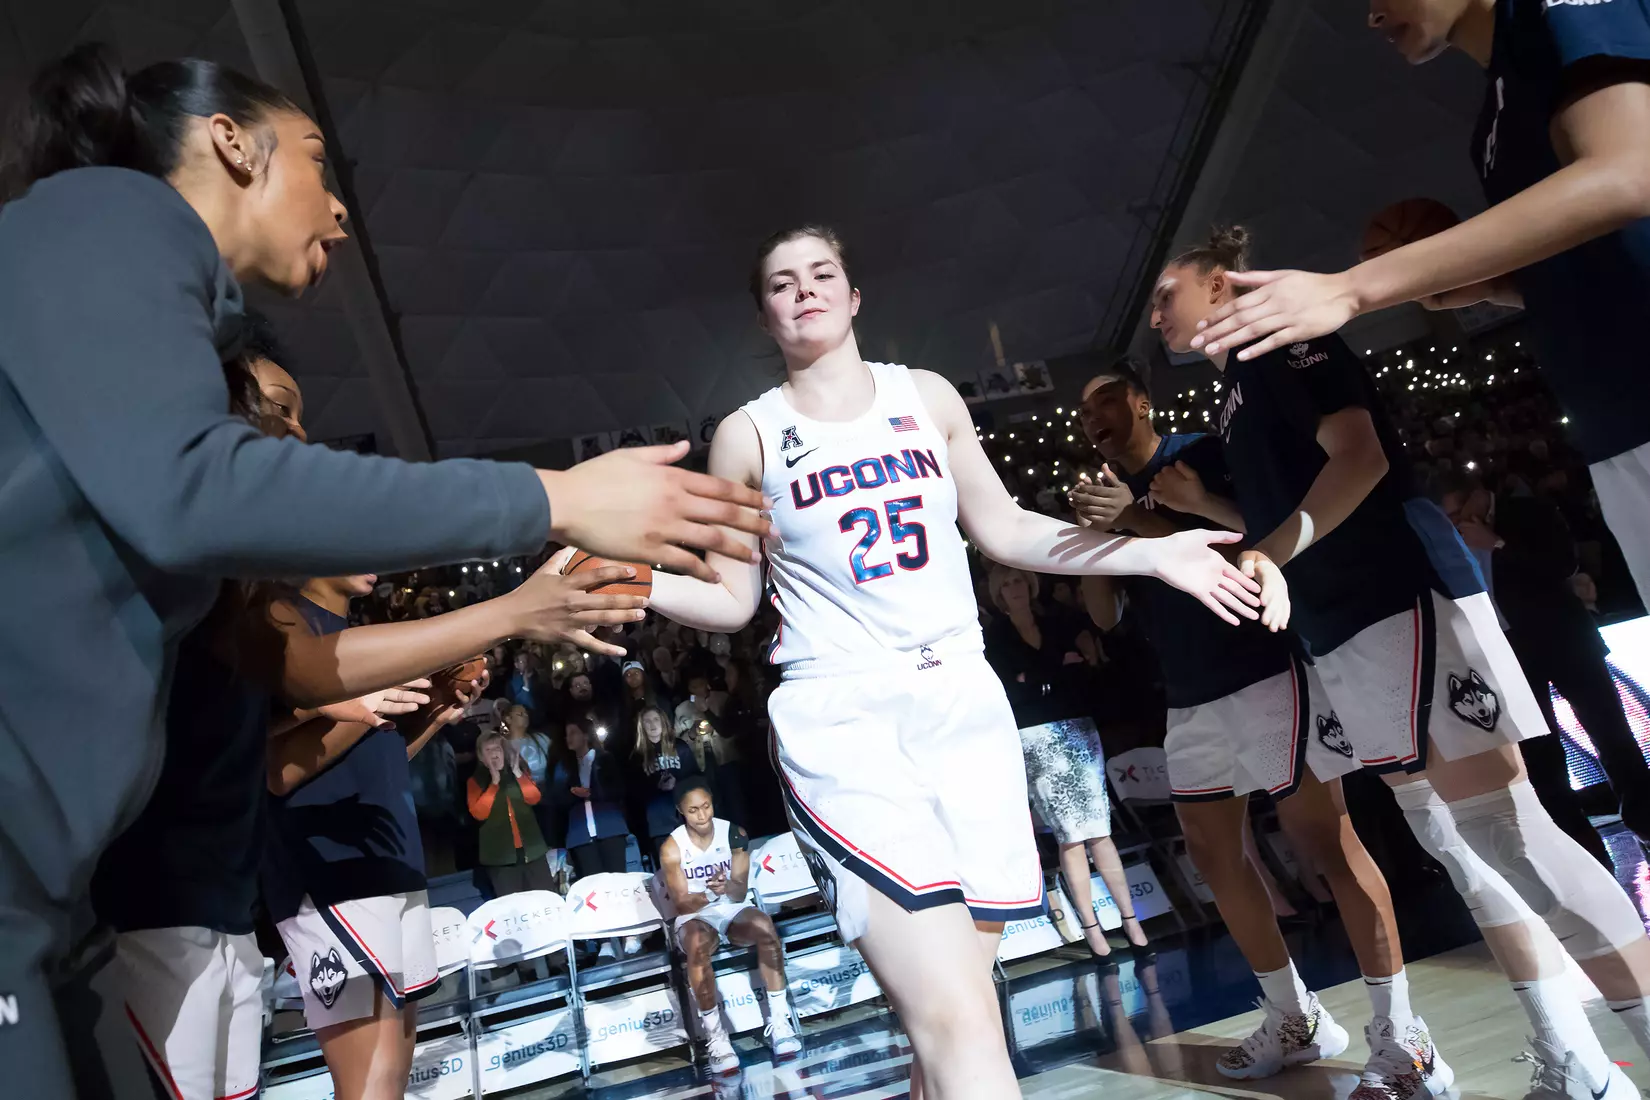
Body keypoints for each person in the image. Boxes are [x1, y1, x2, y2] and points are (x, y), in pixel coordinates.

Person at [0, 43, 774, 1095]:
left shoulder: (126, 306)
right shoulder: (104, 220)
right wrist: (549, 496)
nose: (340, 208)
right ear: (232, 144)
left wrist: (517, 594)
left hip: (57, 894)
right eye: (318, 159)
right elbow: (204, 491)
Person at [618, 224, 1263, 1100]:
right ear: (764, 316)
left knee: (957, 1021)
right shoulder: (749, 435)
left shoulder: (926, 397)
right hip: (845, 719)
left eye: (822, 274)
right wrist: (632, 577)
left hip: (965, 704)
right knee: (959, 1026)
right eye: (781, 283)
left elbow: (1005, 529)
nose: (804, 289)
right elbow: (734, 600)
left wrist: (1149, 552)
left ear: (854, 297)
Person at [1152, 226, 1650, 1096]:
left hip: (1397, 596)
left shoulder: (1285, 334)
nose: (1154, 312)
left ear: (1221, 281)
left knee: (1505, 830)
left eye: (1168, 292)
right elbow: (1302, 494)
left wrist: (1266, 549)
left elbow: (1363, 455)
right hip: (1340, 622)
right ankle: (1573, 1060)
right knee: (1461, 842)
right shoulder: (1231, 391)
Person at [1185, 0, 1650, 613]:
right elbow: (1595, 266)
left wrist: (1351, 287)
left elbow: (1630, 172)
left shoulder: (1562, 6)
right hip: (1615, 430)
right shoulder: (1491, 122)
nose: (1374, 17)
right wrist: (1496, 287)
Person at [1072, 360, 1450, 1094]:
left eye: (1105, 398)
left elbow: (1268, 534)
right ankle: (1294, 1017)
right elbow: (1101, 615)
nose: (1093, 415)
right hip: (1188, 693)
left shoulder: (1202, 454)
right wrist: (1099, 541)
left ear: (1142, 401)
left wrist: (1158, 515)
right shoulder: (1113, 497)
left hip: (1268, 670)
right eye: (1083, 409)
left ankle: (1403, 1034)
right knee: (1215, 856)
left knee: (1326, 845)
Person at [1437, 470, 1650, 855]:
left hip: (1568, 643)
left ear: (1478, 496)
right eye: (1447, 518)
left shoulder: (1529, 511)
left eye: (1457, 512)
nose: (1455, 522)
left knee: (1612, 735)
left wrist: (1497, 544)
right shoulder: (1447, 540)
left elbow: (1562, 564)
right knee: (1543, 757)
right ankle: (1577, 846)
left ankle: (1646, 822)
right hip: (1510, 656)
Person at [982, 565, 1148, 959]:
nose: (1014, 588)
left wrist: (1040, 677)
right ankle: (1092, 930)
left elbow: (1079, 671)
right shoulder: (994, 637)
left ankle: (1131, 921)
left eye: (1018, 580)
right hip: (1034, 737)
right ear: (998, 594)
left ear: (1029, 584)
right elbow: (1012, 687)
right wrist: (1052, 671)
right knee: (1070, 835)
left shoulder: (1056, 622)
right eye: (1005, 584)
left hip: (1077, 728)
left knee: (1099, 829)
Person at [658, 777, 802, 1074]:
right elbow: (681, 902)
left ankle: (780, 1023)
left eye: (706, 806)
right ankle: (717, 1038)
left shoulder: (734, 833)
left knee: (764, 927)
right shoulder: (672, 847)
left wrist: (728, 888)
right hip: (695, 917)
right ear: (681, 811)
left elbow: (739, 890)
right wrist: (712, 892)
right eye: (693, 810)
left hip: (731, 908)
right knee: (697, 944)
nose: (702, 815)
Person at [469, 731, 555, 896]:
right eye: (488, 750)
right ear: (481, 757)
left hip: (533, 852)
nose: (494, 753)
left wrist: (517, 772)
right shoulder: (475, 781)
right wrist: (494, 784)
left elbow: (534, 797)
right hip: (501, 859)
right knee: (512, 908)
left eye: (498, 749)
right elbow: (479, 813)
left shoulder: (518, 772)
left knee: (545, 899)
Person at [634, 706, 704, 868]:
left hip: (686, 819)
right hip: (658, 824)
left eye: (656, 719)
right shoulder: (637, 757)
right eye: (647, 721)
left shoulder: (679, 747)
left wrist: (677, 783)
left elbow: (695, 779)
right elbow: (634, 792)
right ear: (641, 726)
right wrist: (655, 786)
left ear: (663, 722)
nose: (652, 725)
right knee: (669, 872)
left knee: (695, 867)